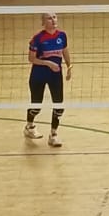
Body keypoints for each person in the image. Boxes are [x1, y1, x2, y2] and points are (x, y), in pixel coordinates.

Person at [25, 11, 72, 148]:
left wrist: (69, 66)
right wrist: (48, 63)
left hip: (55, 75)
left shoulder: (62, 36)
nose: (53, 20)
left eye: (54, 17)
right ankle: (29, 126)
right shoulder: (38, 38)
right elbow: (31, 59)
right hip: (39, 75)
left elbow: (65, 51)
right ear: (43, 22)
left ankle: (53, 134)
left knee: (59, 106)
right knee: (36, 106)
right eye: (49, 18)